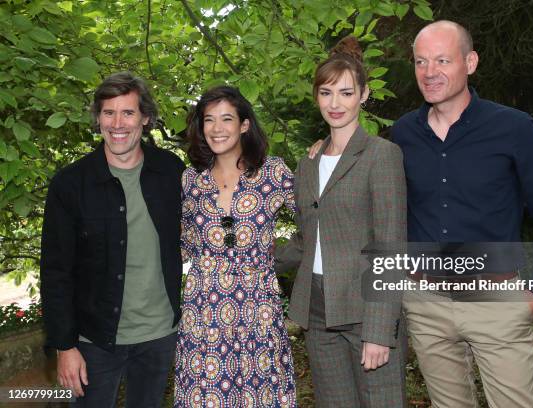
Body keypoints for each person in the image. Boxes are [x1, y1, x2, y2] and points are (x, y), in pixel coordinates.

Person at [390, 21, 533, 407]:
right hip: (426, 304)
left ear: (470, 62)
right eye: (421, 62)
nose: (430, 72)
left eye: (443, 60)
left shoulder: (514, 128)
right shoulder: (404, 134)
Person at [277, 36, 408, 407]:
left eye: (346, 93)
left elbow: (391, 247)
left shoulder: (382, 156)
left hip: (366, 309)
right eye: (326, 93)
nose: (335, 104)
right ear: (316, 96)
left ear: (364, 95)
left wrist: (381, 330)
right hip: (318, 311)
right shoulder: (309, 163)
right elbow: (307, 238)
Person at [40, 72, 185, 407]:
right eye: (109, 113)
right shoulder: (70, 184)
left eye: (128, 113)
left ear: (145, 118)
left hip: (159, 336)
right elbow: (56, 271)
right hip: (94, 341)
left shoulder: (171, 171)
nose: (118, 123)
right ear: (98, 119)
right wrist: (64, 346)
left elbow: (220, 189)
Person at [175, 86, 297, 407]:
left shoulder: (273, 173)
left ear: (244, 125)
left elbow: (318, 218)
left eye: (226, 119)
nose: (217, 128)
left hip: (258, 311)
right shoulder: (190, 180)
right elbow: (183, 245)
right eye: (209, 120)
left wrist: (279, 259)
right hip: (203, 314)